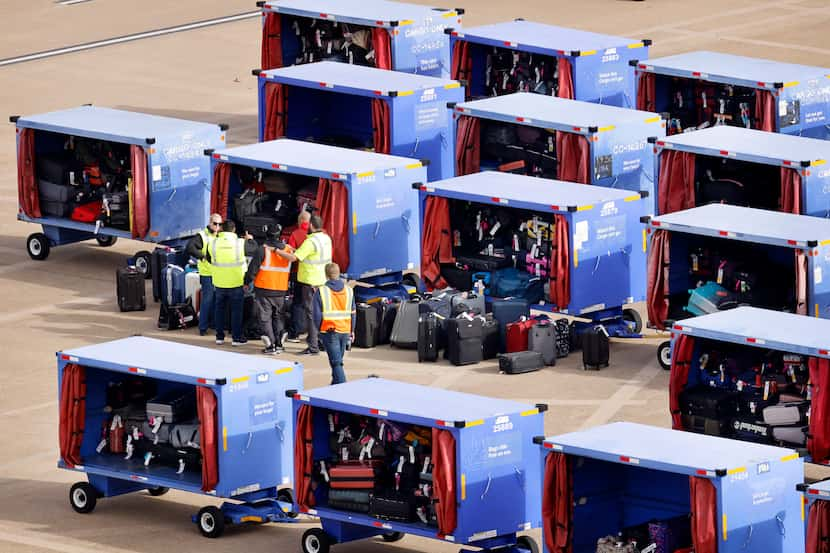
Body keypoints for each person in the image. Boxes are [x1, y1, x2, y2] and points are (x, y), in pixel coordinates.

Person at [275, 214, 331, 355]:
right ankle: (319, 341)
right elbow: (308, 254)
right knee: (319, 314)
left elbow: (294, 258)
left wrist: (277, 251)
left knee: (310, 315)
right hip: (322, 281)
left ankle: (313, 347)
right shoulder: (326, 238)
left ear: (311, 225)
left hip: (310, 282)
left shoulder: (310, 241)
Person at [246, 224, 293, 355]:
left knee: (265, 317)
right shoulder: (289, 250)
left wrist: (246, 282)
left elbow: (252, 270)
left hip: (264, 289)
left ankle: (270, 345)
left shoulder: (263, 250)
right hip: (281, 289)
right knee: (278, 316)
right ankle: (279, 343)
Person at [313, 263, 355, 384]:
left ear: (326, 275)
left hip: (329, 331)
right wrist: (352, 330)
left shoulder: (321, 291)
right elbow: (353, 312)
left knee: (336, 363)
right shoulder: (349, 290)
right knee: (337, 362)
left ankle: (341, 388)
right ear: (339, 273)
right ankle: (334, 386)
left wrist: (319, 329)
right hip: (345, 331)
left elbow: (316, 314)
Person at [209, 220, 248, 346]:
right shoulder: (240, 243)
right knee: (236, 311)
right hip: (236, 282)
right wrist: (249, 239)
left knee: (219, 310)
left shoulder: (213, 243)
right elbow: (254, 248)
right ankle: (236, 338)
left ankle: (219, 337)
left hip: (219, 283)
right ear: (234, 229)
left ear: (221, 229)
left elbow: (210, 259)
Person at [186, 213, 223, 336]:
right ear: (209, 223)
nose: (217, 226)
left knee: (215, 300)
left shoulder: (220, 235)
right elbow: (190, 247)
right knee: (207, 300)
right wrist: (202, 256)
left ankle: (212, 323)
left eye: (219, 224)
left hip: (218, 273)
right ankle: (202, 327)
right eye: (215, 223)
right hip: (207, 273)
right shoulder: (202, 236)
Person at [285, 210, 311, 343]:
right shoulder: (321, 235)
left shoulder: (295, 234)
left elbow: (290, 254)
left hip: (299, 274)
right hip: (317, 276)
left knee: (298, 304)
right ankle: (312, 334)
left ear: (300, 221)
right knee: (313, 306)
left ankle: (294, 333)